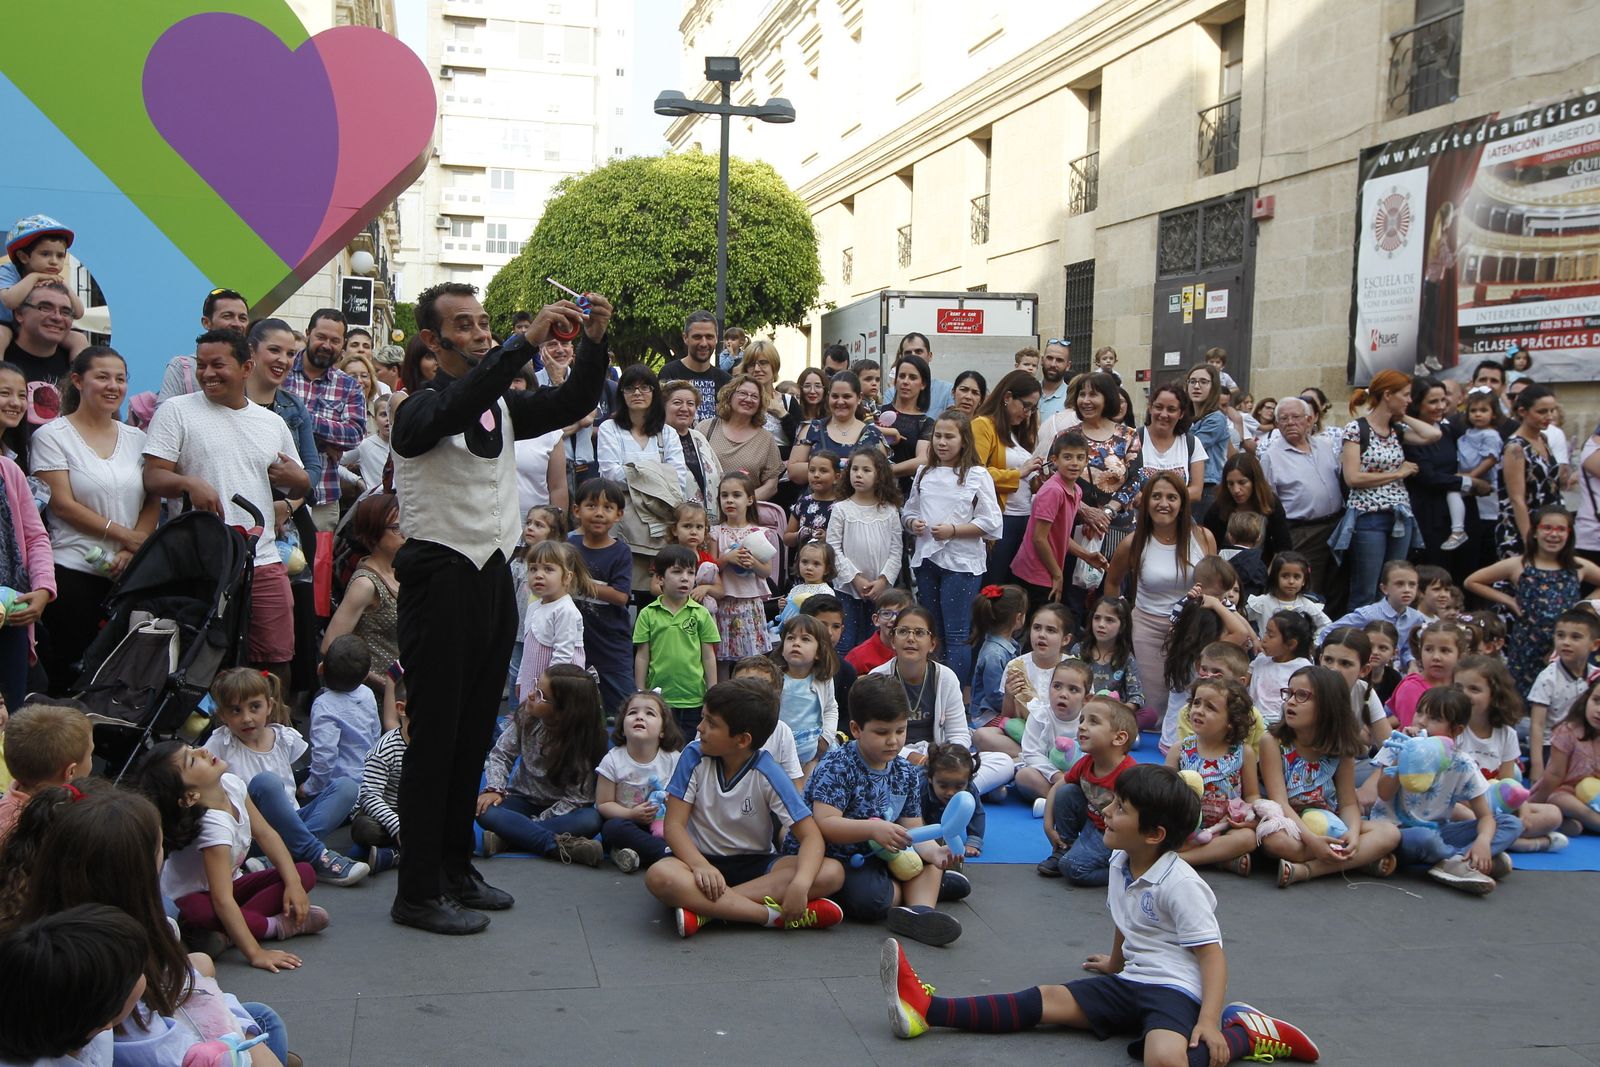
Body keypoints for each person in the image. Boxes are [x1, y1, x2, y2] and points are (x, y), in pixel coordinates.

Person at [386, 283, 609, 935]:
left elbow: (573, 400)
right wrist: (522, 343)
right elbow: (457, 402)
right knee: (435, 740)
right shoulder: (415, 408)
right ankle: (416, 890)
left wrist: (594, 341)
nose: (481, 333)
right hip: (438, 580)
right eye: (465, 325)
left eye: (485, 322)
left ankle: (455, 870)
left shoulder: (502, 406)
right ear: (432, 342)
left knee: (472, 733)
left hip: (490, 578)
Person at [882, 764, 1322, 1065]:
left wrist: (1209, 1021)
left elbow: (1213, 957)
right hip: (1131, 980)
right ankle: (927, 1009)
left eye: (1121, 809)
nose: (1106, 812)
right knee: (1047, 999)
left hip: (1175, 990)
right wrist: (1115, 962)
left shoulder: (1181, 884)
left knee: (1164, 1060)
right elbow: (1125, 918)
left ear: (1154, 834)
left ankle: (1243, 1031)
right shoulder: (1121, 860)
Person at [142, 329, 309, 680]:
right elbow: (153, 476)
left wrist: (299, 483)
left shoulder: (272, 423)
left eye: (217, 365)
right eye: (201, 365)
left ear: (247, 367)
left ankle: (272, 718)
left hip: (262, 559)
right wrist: (188, 482)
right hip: (202, 561)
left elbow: (300, 483)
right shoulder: (177, 411)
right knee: (202, 662)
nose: (207, 374)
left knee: (275, 660)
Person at [645, 678, 846, 936]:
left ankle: (707, 910)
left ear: (742, 740)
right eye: (703, 717)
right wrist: (700, 865)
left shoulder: (769, 771)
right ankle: (771, 916)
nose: (700, 727)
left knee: (832, 872)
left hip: (756, 866)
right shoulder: (693, 756)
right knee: (660, 876)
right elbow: (673, 826)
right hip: (697, 861)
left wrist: (801, 883)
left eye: (711, 723)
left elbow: (811, 837)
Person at [133, 740, 328, 970]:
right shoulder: (213, 826)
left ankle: (225, 935)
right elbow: (221, 900)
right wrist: (256, 953)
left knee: (303, 872)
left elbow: (266, 834)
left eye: (192, 748)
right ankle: (275, 926)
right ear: (190, 797)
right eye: (192, 760)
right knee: (197, 908)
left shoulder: (231, 784)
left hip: (230, 889)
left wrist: (293, 883)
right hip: (195, 901)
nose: (202, 751)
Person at [796, 673, 960, 945]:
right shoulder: (838, 765)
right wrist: (873, 829)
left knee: (930, 862)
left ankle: (920, 913)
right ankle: (923, 890)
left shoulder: (905, 771)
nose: (893, 741)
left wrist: (935, 852)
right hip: (839, 856)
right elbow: (825, 823)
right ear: (856, 729)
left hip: (885, 853)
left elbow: (913, 827)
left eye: (900, 730)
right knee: (872, 900)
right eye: (882, 732)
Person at [30, 348, 157, 693]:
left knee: (120, 675)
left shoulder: (138, 438)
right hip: (72, 570)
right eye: (102, 377)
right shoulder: (51, 436)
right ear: (77, 380)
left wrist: (133, 549)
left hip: (128, 575)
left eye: (120, 378)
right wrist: (125, 536)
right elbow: (62, 504)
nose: (113, 386)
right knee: (71, 672)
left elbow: (152, 498)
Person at [200, 667, 368, 887]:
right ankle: (314, 854)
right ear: (223, 715)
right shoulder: (220, 744)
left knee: (347, 787)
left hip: (292, 824)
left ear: (269, 706)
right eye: (236, 711)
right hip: (254, 833)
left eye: (255, 707)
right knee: (266, 782)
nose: (247, 718)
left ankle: (277, 859)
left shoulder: (283, 737)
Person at [1259, 666, 1401, 886]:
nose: (1291, 702)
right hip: (1292, 824)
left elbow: (1348, 803)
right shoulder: (1273, 742)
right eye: (1289, 693)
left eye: (1302, 695)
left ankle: (1308, 870)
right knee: (1276, 842)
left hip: (1330, 821)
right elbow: (1280, 802)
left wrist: (1353, 833)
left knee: (1390, 833)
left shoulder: (1340, 748)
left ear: (1328, 706)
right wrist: (1313, 841)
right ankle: (1357, 860)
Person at [1371, 689, 1521, 894]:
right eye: (1419, 712)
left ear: (1456, 730)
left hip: (1439, 831)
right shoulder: (1397, 745)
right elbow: (1384, 793)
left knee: (1511, 823)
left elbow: (1485, 816)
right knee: (1425, 838)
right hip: (1397, 832)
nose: (1422, 721)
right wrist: (1403, 758)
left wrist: (1483, 841)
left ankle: (1459, 860)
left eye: (1434, 718)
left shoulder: (1462, 763)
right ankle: (1465, 863)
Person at [1104, 472, 1216, 737]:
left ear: (1182, 503)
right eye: (1156, 496)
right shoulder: (1134, 542)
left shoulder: (1203, 537)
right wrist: (1117, 622)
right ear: (1146, 502)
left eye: (1171, 497)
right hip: (1148, 631)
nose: (1163, 503)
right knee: (1152, 710)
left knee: (1191, 702)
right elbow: (1112, 583)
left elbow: (1216, 583)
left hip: (1193, 632)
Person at [904, 411, 1003, 684]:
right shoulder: (924, 472)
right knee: (933, 630)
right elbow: (909, 511)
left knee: (957, 633)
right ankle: (934, 687)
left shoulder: (977, 475)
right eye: (937, 436)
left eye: (949, 437)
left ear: (964, 440)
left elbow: (992, 522)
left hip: (960, 562)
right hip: (927, 560)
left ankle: (955, 693)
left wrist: (954, 530)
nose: (942, 442)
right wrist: (913, 523)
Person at [476, 664, 607, 865]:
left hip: (564, 811)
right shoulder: (527, 716)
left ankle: (508, 839)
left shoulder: (584, 743)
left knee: (591, 820)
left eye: (540, 695)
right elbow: (501, 754)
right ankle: (557, 846)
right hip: (521, 800)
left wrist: (530, 825)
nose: (530, 695)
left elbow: (577, 799)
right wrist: (495, 788)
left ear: (563, 712)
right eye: (536, 686)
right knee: (484, 809)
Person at [1465, 505, 1600, 695]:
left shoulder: (1578, 566)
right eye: (1547, 528)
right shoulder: (1519, 564)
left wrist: (1584, 606)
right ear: (1535, 532)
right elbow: (1472, 581)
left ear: (1569, 534)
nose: (1554, 534)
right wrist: (1509, 600)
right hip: (1527, 645)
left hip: (1565, 645)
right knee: (1522, 697)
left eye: (1561, 529)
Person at [1333, 369, 1440, 608]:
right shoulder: (1356, 429)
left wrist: (1402, 416)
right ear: (1388, 395)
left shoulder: (1397, 430)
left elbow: (1433, 434)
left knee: (1394, 585)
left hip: (1400, 516)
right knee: (1366, 588)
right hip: (1368, 515)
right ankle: (1360, 630)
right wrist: (1397, 474)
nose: (1410, 400)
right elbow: (1352, 477)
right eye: (1405, 394)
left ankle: (1387, 629)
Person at [0, 904, 153, 1067]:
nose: (143, 977)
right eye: (137, 974)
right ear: (104, 1020)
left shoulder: (84, 1029)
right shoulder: (92, 1030)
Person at [1452, 654, 1566, 852]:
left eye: (1474, 689)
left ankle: (1500, 837)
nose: (1464, 695)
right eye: (1458, 688)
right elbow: (1448, 786)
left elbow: (1507, 783)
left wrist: (1522, 808)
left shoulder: (1506, 734)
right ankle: (1528, 844)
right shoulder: (1454, 729)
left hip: (1494, 807)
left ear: (1494, 696)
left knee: (1553, 814)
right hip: (1463, 805)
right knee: (1460, 813)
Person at [1255, 397, 1345, 608]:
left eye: (1296, 417)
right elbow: (1267, 503)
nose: (1290, 422)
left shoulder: (1325, 446)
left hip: (1336, 525)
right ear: (1276, 424)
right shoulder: (1271, 457)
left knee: (1337, 583)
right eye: (1283, 418)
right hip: (1302, 531)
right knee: (1307, 586)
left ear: (1309, 420)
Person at [1165, 677, 1259, 876]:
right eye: (1196, 703)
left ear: (1231, 721)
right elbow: (1163, 792)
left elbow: (1252, 795)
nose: (1198, 710)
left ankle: (1182, 860)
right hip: (1187, 826)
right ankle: (1220, 859)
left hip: (1225, 827)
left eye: (1210, 707)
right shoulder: (1180, 749)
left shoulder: (1244, 752)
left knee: (1248, 838)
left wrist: (1250, 818)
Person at [282, 309, 364, 533]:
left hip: (322, 497)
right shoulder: (282, 372)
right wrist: (325, 442)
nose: (327, 345)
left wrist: (303, 419)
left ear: (343, 344)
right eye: (321, 337)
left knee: (318, 556)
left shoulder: (349, 386)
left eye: (335, 340)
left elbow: (355, 434)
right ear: (308, 333)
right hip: (277, 491)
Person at [634, 544, 721, 735]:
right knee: (661, 745)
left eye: (691, 573)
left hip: (694, 699)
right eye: (677, 571)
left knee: (688, 746)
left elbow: (708, 656)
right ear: (660, 578)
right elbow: (642, 655)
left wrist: (712, 692)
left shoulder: (701, 613)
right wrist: (640, 692)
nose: (685, 578)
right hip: (659, 698)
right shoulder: (648, 614)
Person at [241, 320, 321, 527]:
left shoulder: (295, 406)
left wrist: (289, 505)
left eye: (290, 353)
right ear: (251, 350)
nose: (283, 360)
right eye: (274, 350)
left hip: (288, 523)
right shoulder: (229, 402)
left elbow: (313, 468)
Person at [596, 690, 685, 874]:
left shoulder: (673, 759)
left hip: (663, 823)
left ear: (663, 730)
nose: (640, 717)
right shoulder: (613, 760)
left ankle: (633, 854)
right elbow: (603, 804)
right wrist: (631, 814)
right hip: (629, 823)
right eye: (632, 712)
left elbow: (684, 797)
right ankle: (666, 854)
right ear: (622, 727)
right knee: (612, 828)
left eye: (649, 713)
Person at [1011, 430, 1102, 611]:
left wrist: (1086, 556)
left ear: (1086, 461)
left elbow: (1060, 536)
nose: (1074, 463)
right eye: (1067, 457)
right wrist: (1057, 575)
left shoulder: (1076, 490)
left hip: (1049, 570)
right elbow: (1039, 538)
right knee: (1038, 622)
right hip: (1035, 573)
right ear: (1055, 460)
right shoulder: (1053, 491)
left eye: (1080, 458)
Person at [567, 478, 635, 717]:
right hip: (571, 644)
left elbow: (621, 596)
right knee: (575, 710)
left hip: (611, 646)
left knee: (623, 708)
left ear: (619, 515)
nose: (599, 513)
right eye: (591, 506)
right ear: (577, 510)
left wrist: (581, 583)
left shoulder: (621, 552)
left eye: (608, 507)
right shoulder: (568, 545)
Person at [319, 491, 402, 683]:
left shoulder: (401, 571)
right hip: (376, 694)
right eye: (396, 528)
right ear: (374, 533)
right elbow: (330, 647)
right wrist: (381, 682)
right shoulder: (366, 584)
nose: (405, 533)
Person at [827, 446, 903, 653]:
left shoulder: (889, 510)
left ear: (880, 476)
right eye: (854, 469)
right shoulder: (841, 509)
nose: (858, 474)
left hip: (880, 590)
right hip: (847, 588)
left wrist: (883, 580)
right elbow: (833, 548)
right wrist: (855, 578)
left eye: (866, 470)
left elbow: (896, 550)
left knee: (875, 641)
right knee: (845, 641)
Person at [971, 370, 1043, 583]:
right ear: (1007, 397)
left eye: (1033, 409)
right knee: (994, 586)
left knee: (1013, 589)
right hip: (1001, 519)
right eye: (1026, 406)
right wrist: (1019, 473)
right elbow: (975, 473)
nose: (1027, 413)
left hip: (1024, 517)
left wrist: (1037, 479)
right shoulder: (983, 424)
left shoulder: (1017, 431)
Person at [306, 636, 382, 820]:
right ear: (365, 676)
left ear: (321, 669)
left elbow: (325, 756)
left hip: (337, 792)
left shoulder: (324, 705)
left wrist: (310, 788)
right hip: (368, 785)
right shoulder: (367, 693)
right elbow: (375, 734)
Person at [0, 702, 92, 845]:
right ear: (71, 772)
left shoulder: (9, 806)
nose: (91, 759)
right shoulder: (51, 829)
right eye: (90, 754)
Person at [1402, 376, 1469, 562]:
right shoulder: (1407, 435)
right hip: (1428, 515)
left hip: (1454, 513)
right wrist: (1468, 482)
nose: (1441, 406)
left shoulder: (1448, 430)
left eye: (1443, 400)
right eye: (1433, 402)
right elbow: (1427, 476)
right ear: (1416, 403)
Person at [513, 540, 590, 704]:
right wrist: (521, 678)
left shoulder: (565, 610)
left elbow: (563, 655)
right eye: (533, 569)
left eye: (548, 569)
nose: (538, 575)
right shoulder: (534, 607)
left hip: (554, 689)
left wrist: (548, 688)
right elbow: (528, 648)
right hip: (532, 682)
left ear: (567, 577)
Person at [1319, 560, 1426, 674]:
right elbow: (1327, 632)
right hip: (1363, 672)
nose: (1407, 590)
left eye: (1412, 584)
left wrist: (1411, 662)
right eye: (1399, 584)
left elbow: (1408, 648)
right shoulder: (1368, 614)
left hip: (1392, 673)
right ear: (1384, 588)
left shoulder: (1417, 618)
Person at [599, 364, 689, 495]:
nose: (637, 393)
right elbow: (611, 476)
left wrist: (632, 473)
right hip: (622, 505)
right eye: (630, 388)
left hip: (661, 506)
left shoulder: (668, 433)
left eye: (644, 387)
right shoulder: (609, 429)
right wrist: (658, 474)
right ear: (621, 393)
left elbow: (678, 479)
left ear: (654, 393)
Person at [156, 288, 256, 407]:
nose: (237, 324)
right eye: (227, 316)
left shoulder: (254, 367)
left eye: (242, 318)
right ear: (206, 323)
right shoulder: (182, 367)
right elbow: (165, 413)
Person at [1495, 383, 1562, 559]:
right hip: (1522, 529)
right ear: (1523, 412)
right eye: (1542, 412)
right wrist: (1528, 540)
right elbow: (1516, 498)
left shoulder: (1542, 438)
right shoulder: (1515, 448)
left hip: (1549, 527)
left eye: (1552, 410)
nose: (1549, 416)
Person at [1527, 675, 1600, 837]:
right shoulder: (1568, 731)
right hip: (1567, 792)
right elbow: (1555, 774)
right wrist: (1536, 803)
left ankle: (1572, 822)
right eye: (1596, 701)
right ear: (1587, 699)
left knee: (1573, 817)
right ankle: (1593, 821)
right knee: (1561, 801)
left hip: (1596, 795)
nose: (1599, 710)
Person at [1016, 658, 1093, 806]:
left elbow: (1093, 755)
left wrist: (1075, 776)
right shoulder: (1039, 715)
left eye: (1073, 689)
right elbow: (1031, 754)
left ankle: (1057, 803)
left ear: (1086, 699)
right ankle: (1059, 803)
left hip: (1079, 778)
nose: (1063, 694)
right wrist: (1057, 776)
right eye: (1057, 686)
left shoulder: (1089, 721)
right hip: (1047, 776)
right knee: (1024, 776)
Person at [787, 371, 887, 484]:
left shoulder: (873, 434)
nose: (840, 402)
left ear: (859, 398)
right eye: (835, 396)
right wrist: (836, 465)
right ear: (828, 396)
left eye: (846, 396)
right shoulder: (811, 429)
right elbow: (793, 471)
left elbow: (883, 475)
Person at [774, 614, 840, 777]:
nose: (796, 643)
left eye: (805, 639)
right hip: (782, 748)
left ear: (818, 652)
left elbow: (830, 708)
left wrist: (826, 738)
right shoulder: (775, 678)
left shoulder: (823, 679)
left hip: (814, 747)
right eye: (790, 638)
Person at [699, 375, 784, 501]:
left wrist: (743, 502)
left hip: (745, 511)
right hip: (705, 507)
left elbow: (771, 486)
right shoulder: (705, 428)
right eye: (743, 393)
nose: (748, 399)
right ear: (729, 396)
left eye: (754, 396)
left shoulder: (766, 439)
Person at [1201, 453, 1292, 566]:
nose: (1236, 490)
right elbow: (1209, 549)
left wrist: (1269, 573)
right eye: (1230, 484)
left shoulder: (1271, 504)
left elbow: (1283, 547)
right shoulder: (1217, 510)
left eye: (1242, 482)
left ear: (1255, 481)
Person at [353, 688, 407, 871]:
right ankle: (413, 847)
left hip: (417, 812)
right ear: (402, 709)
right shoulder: (385, 749)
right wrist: (398, 826)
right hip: (387, 811)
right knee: (365, 828)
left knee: (460, 829)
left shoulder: (436, 743)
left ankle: (395, 855)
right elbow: (369, 797)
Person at [1132, 382, 1205, 507]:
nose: (1164, 414)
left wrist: (1152, 499)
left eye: (1171, 409)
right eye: (1159, 407)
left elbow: (1197, 491)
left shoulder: (1192, 443)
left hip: (1177, 517)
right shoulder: (1131, 439)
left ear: (1181, 414)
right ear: (1150, 408)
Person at [658, 310, 731, 422]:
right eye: (697, 337)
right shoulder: (669, 373)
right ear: (685, 338)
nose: (703, 343)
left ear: (716, 338)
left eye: (709, 337)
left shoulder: (726, 381)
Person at [2, 279, 77, 385]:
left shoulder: (74, 364)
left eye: (65, 312)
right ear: (19, 314)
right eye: (45, 308)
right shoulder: (4, 354)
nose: (57, 317)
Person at [663, 378, 722, 508]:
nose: (684, 408)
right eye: (677, 402)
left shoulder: (699, 437)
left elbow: (719, 474)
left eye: (690, 404)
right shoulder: (657, 440)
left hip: (709, 517)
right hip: (674, 516)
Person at [1182, 364, 1232, 517]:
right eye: (1192, 381)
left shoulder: (1216, 418)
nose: (1197, 386)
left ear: (1213, 387)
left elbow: (1191, 447)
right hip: (1187, 483)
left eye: (1203, 382)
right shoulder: (1188, 418)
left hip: (1207, 487)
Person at [882, 354, 934, 497]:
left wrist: (884, 471)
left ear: (923, 384)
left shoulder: (926, 423)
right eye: (902, 376)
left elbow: (923, 460)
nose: (905, 381)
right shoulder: (878, 412)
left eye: (912, 377)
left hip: (905, 495)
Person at [1245, 552, 1331, 636]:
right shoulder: (1262, 603)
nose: (1291, 581)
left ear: (1304, 581)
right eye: (1285, 576)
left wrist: (1313, 642)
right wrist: (1253, 639)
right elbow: (1240, 618)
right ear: (1275, 577)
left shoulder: (1307, 605)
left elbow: (1327, 625)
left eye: (1296, 577)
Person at [844, 587, 915, 677]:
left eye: (900, 614)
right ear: (876, 619)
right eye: (886, 613)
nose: (893, 619)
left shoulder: (916, 651)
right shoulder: (858, 657)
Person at [884, 333, 954, 414]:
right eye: (908, 353)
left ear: (930, 356)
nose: (914, 356)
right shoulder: (891, 394)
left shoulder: (947, 391)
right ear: (901, 357)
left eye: (919, 351)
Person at [1035, 339, 1072, 423]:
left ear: (1068, 365)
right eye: (1049, 358)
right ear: (1042, 360)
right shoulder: (1028, 391)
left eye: (1059, 360)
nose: (1053, 364)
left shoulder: (1071, 398)